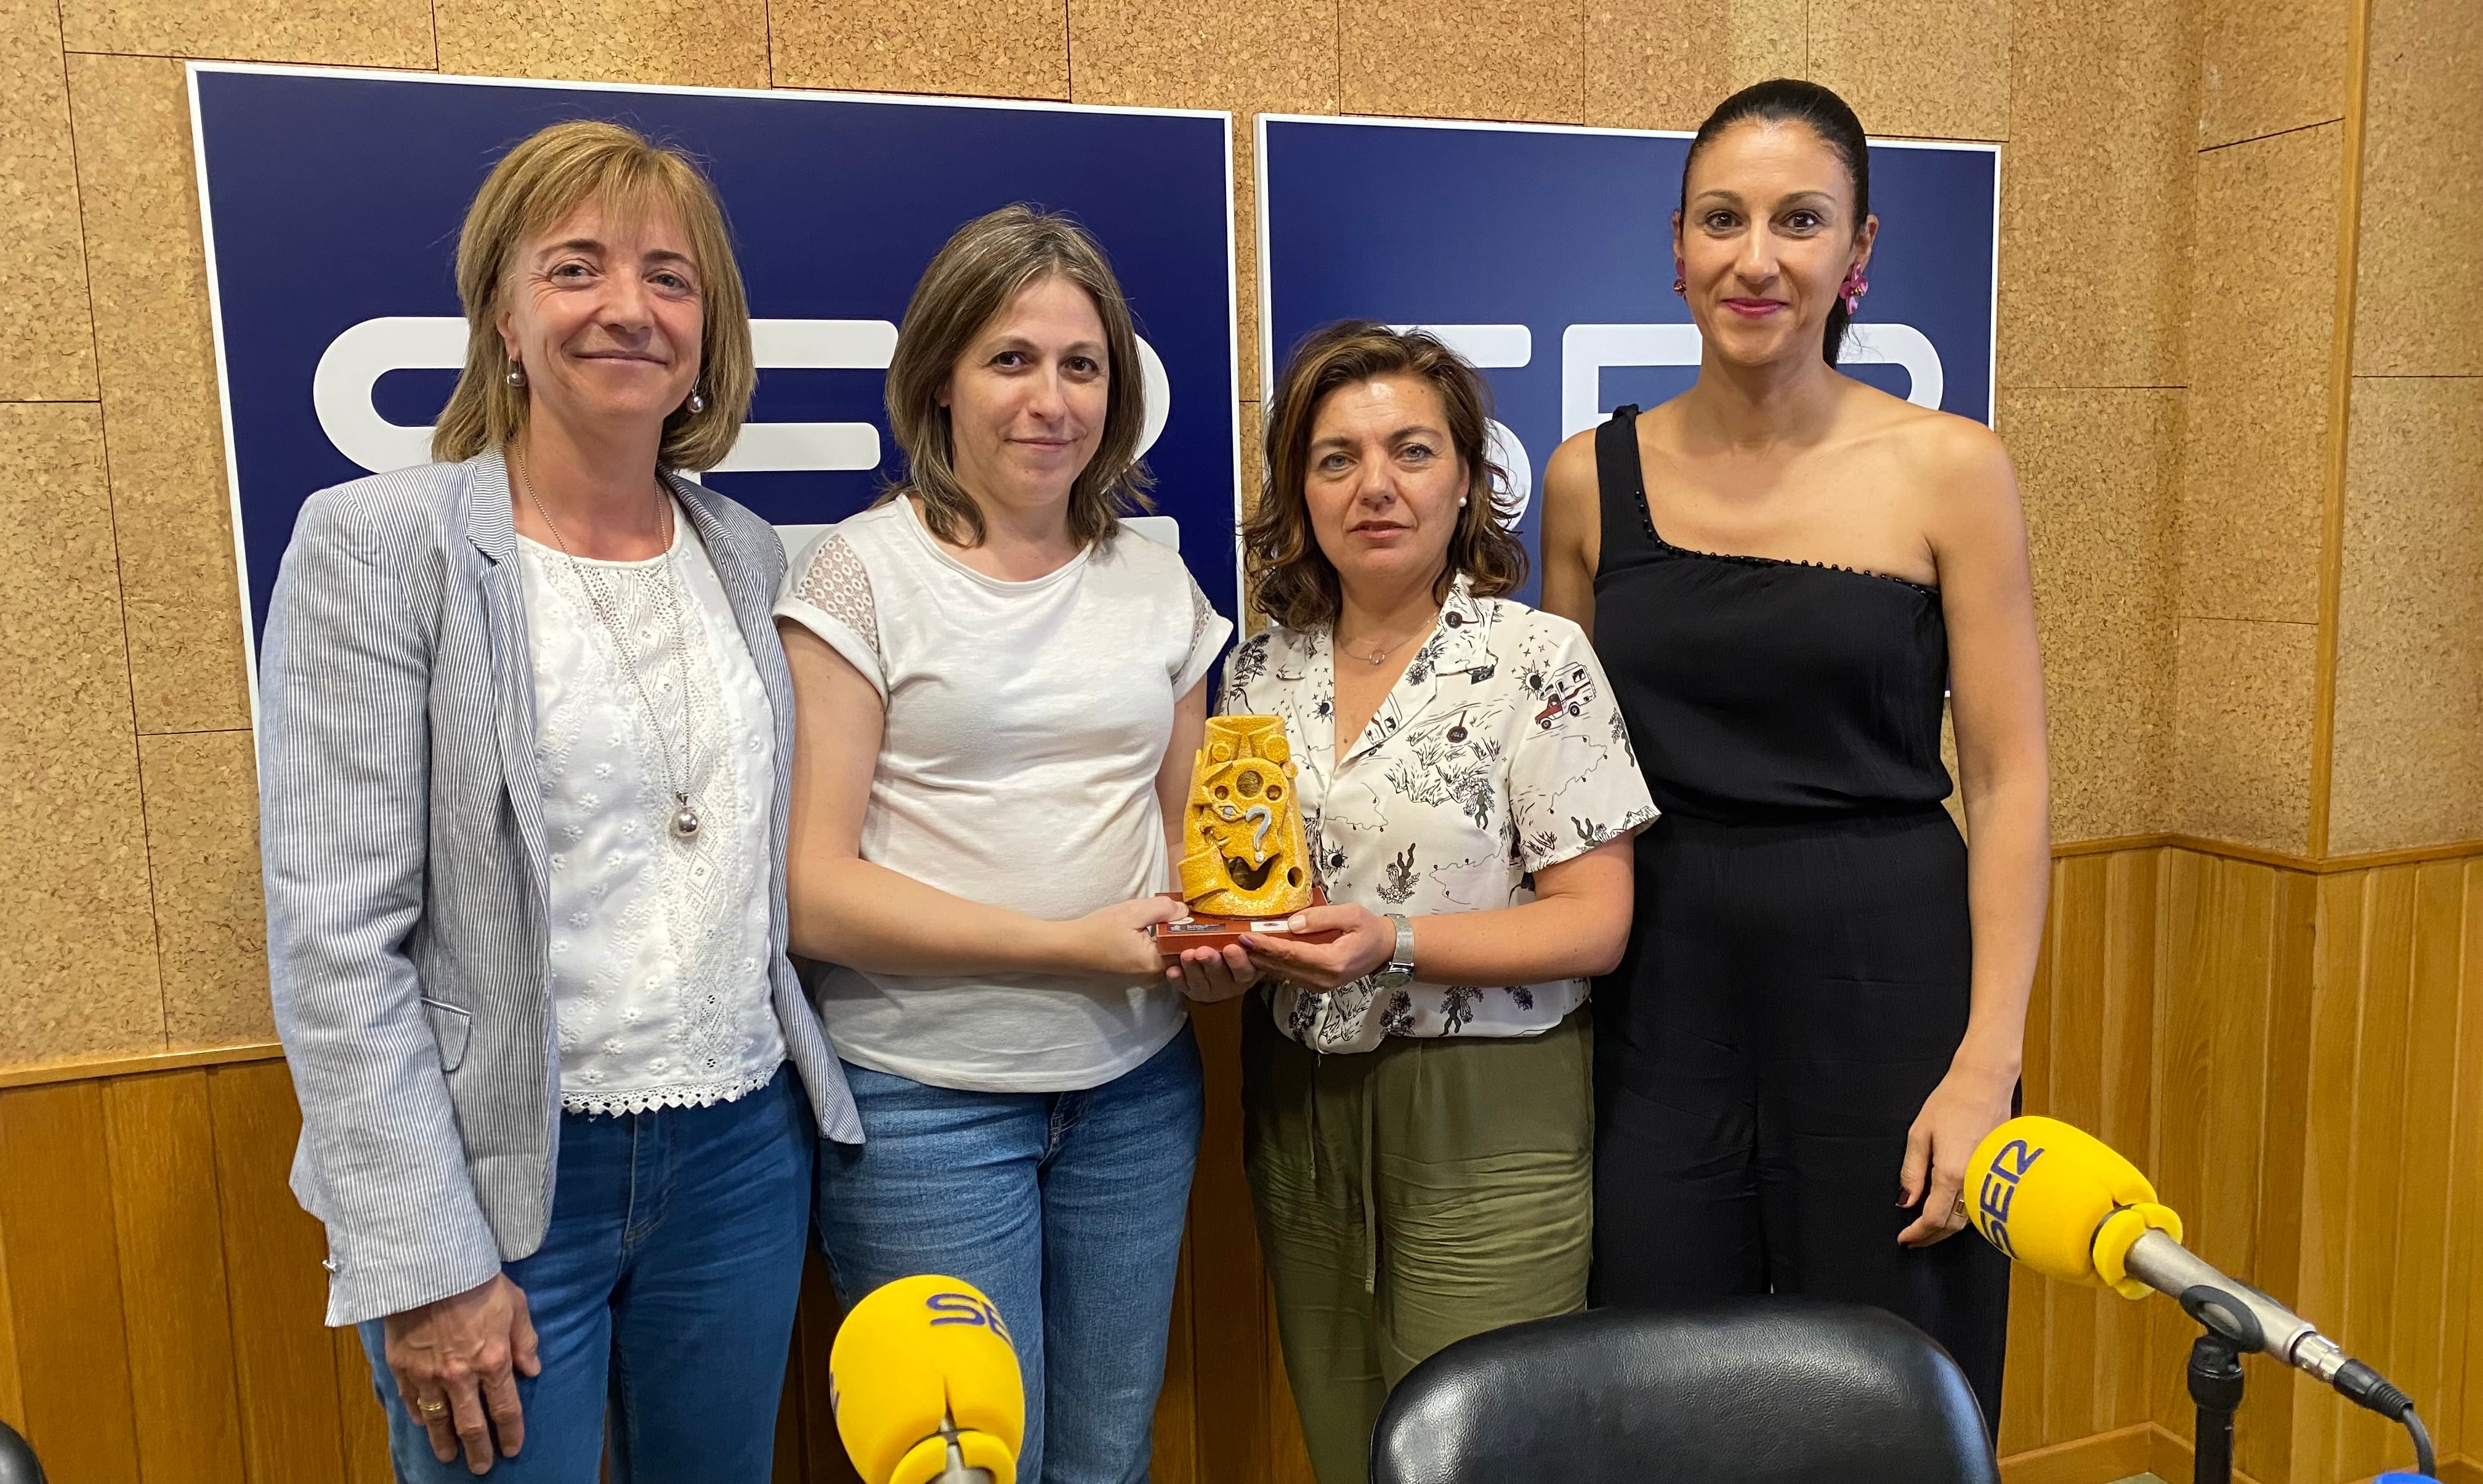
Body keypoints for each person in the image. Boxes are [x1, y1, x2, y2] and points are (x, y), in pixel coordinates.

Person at [258, 121, 857, 1480]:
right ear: (504, 314)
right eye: (578, 267)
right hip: (501, 1182)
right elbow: (336, 939)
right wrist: (425, 1260)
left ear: (709, 329)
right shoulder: (381, 547)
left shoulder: (742, 546)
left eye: (671, 277)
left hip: (739, 1157)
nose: (629, 308)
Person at [1537, 78, 2048, 1426]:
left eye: (1799, 220)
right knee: (1653, 1381)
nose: (1755, 257)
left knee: (1895, 1380)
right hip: (1660, 992)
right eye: (1723, 219)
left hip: (1890, 979)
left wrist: (1984, 1063)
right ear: (1677, 245)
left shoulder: (1953, 468)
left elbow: (2006, 781)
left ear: (1857, 255)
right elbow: (1555, 772)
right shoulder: (1590, 477)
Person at [775, 205, 1229, 1484]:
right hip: (925, 1105)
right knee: (968, 1470)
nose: (1050, 398)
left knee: (1104, 1456)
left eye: (1081, 365)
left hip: (1136, 1094)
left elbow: (1201, 843)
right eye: (1010, 359)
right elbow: (812, 892)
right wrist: (1065, 944)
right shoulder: (857, 578)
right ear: (940, 381)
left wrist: (1227, 944)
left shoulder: (1155, 583)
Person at [1182, 323, 1652, 1484]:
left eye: (1411, 450)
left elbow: (1595, 921)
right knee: (1350, 1445)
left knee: (1484, 1446)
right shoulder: (1257, 670)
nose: (1375, 485)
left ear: (1466, 483)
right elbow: (1248, 881)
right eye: (1336, 458)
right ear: (1301, 490)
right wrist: (1226, 956)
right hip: (1298, 1101)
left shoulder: (1538, 658)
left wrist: (1390, 944)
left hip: (1489, 1103)